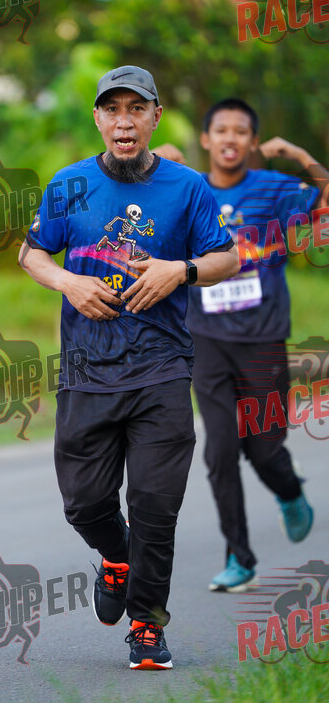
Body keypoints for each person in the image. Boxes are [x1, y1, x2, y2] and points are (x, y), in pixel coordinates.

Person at [19, 66, 238, 670]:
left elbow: (227, 257)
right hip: (87, 369)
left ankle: (146, 625)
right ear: (97, 118)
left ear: (154, 117)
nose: (124, 121)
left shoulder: (188, 187)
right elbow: (32, 253)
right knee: (84, 503)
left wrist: (180, 270)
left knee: (155, 508)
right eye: (112, 109)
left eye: (135, 109)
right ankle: (116, 557)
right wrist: (68, 282)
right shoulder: (69, 184)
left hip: (161, 369)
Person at [156, 98, 328, 592]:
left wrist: (299, 155)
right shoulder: (186, 188)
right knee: (220, 451)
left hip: (263, 339)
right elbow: (129, 205)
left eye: (240, 131)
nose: (230, 138)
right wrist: (155, 160)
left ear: (252, 142)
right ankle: (240, 558)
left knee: (265, 449)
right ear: (206, 139)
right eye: (221, 130)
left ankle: (289, 492)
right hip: (206, 339)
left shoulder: (273, 188)